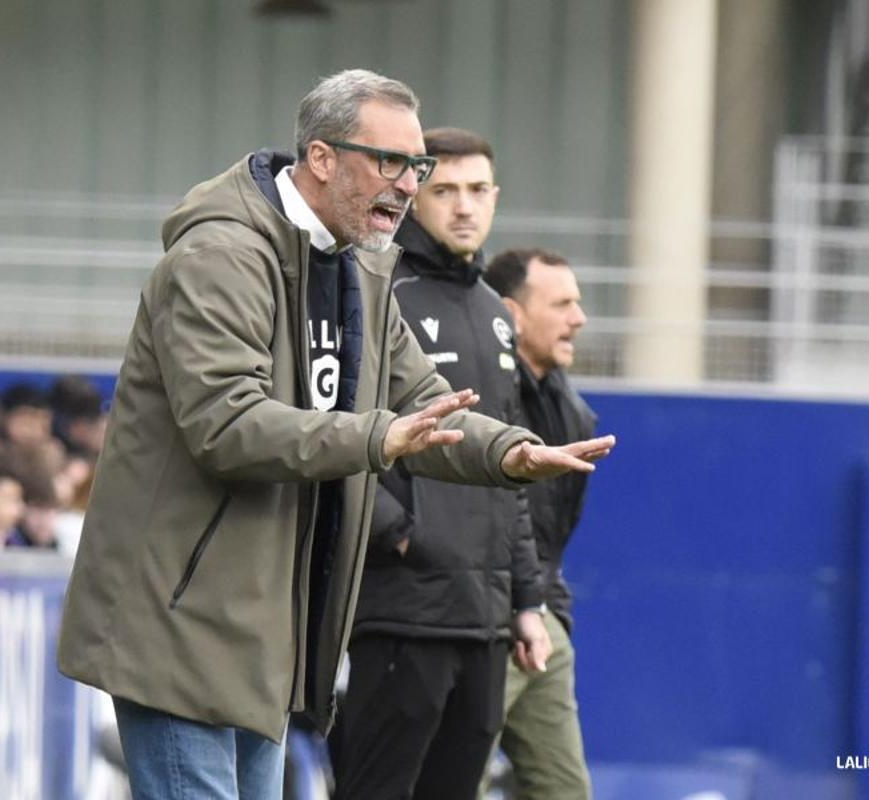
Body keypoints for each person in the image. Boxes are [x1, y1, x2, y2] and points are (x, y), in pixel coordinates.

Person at [56, 69, 615, 800]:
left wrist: (508, 451)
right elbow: (225, 425)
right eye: (390, 163)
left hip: (265, 633)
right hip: (181, 619)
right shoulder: (221, 254)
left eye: (416, 166)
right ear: (321, 158)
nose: (409, 185)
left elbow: (426, 402)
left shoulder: (356, 270)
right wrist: (378, 439)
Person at [333, 127, 549, 800]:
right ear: (413, 195)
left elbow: (507, 464)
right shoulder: (374, 289)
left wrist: (526, 600)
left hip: (484, 622)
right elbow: (334, 432)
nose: (464, 207)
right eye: (445, 190)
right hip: (402, 610)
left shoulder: (493, 311)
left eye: (478, 190)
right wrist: (401, 533)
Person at [482, 248, 596, 800]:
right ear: (511, 314)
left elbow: (552, 537)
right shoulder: (476, 397)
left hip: (542, 622)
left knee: (565, 790)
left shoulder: (572, 412)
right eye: (563, 303)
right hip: (479, 619)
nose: (579, 318)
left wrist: (553, 612)